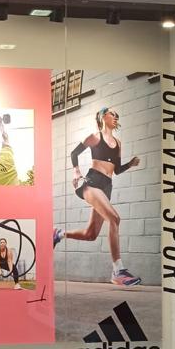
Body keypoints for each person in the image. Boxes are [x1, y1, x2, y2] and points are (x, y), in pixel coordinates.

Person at [53, 106, 142, 286]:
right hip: (92, 182)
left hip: (107, 187)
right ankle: (118, 271)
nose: (116, 117)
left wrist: (130, 164)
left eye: (117, 115)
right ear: (103, 116)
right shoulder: (95, 137)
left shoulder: (118, 143)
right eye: (112, 114)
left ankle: (59, 234)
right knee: (115, 219)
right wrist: (76, 171)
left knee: (91, 234)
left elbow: (116, 170)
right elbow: (74, 153)